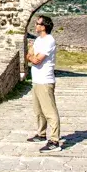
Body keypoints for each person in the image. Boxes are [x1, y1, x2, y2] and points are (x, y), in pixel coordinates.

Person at [26, 15, 61, 152]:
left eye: (37, 23)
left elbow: (36, 60)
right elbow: (29, 54)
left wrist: (31, 56)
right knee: (38, 110)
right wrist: (31, 56)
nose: (35, 25)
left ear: (44, 26)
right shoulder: (38, 40)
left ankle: (54, 141)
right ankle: (41, 134)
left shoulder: (49, 41)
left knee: (50, 111)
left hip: (45, 80)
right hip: (36, 80)